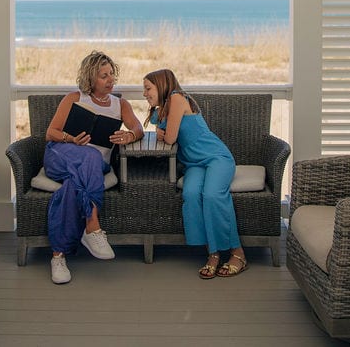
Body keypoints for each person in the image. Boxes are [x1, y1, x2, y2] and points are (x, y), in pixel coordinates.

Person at [44, 50, 144, 284]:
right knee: (88, 155)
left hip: (92, 168)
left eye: (111, 74)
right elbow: (51, 133)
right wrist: (71, 139)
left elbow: (138, 128)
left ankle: (58, 256)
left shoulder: (121, 105)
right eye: (103, 76)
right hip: (61, 154)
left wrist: (129, 136)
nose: (110, 80)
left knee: (72, 185)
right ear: (90, 78)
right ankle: (92, 227)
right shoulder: (74, 98)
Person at [142, 68, 248, 279]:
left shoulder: (177, 98)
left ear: (162, 85)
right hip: (194, 164)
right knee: (190, 194)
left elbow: (169, 138)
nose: (144, 93)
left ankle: (237, 252)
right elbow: (157, 125)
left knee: (212, 194)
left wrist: (163, 133)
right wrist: (160, 127)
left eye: (148, 88)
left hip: (217, 158)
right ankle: (213, 253)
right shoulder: (163, 107)